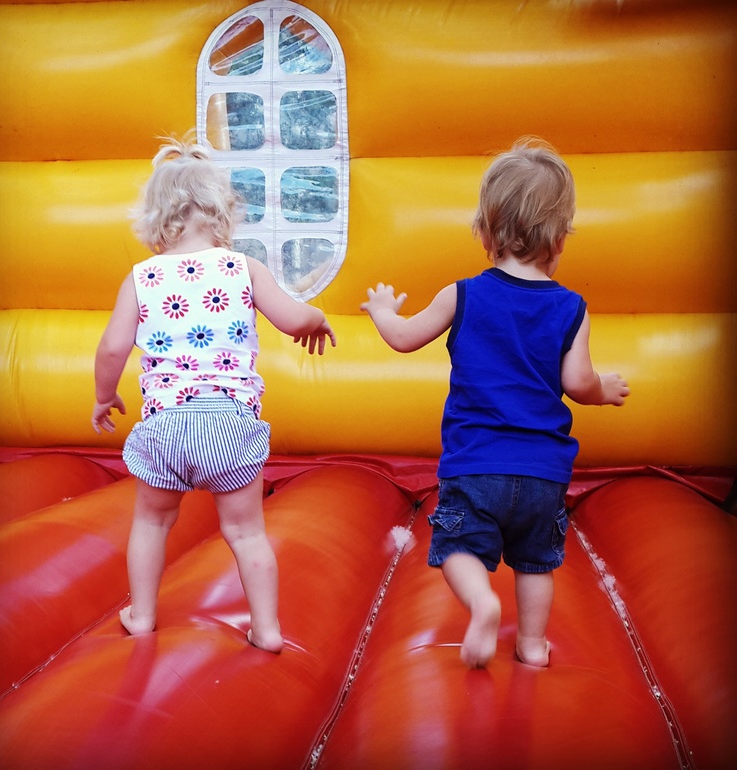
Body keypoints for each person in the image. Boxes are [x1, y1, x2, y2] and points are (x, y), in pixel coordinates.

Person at [361, 137, 629, 668]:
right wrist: (606, 389)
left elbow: (404, 338)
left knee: (458, 547)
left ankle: (482, 602)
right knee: (535, 562)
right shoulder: (571, 307)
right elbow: (579, 383)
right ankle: (531, 644)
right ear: (560, 240)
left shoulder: (462, 294)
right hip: (543, 473)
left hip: (476, 463)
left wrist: (382, 310)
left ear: (485, 232)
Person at [92, 137, 335, 652]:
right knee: (247, 534)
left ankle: (143, 615)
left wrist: (104, 396)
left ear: (156, 220)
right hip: (229, 425)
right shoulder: (243, 267)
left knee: (152, 522)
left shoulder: (141, 277)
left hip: (167, 425)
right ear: (223, 213)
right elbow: (294, 319)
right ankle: (266, 628)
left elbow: (112, 347)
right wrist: (316, 318)